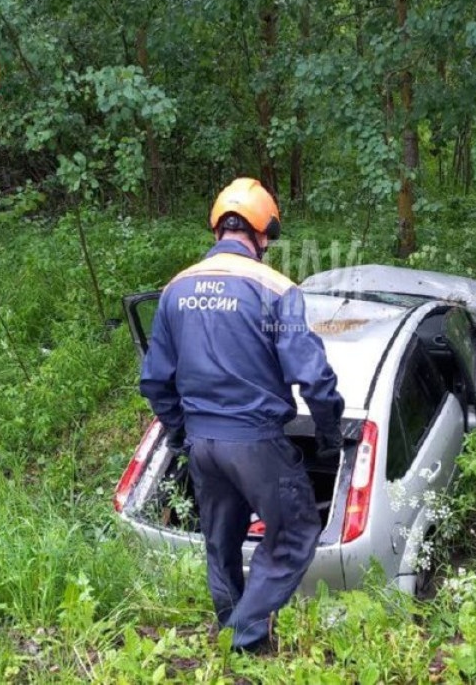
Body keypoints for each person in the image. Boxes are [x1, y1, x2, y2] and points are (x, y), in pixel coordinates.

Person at [140, 177, 345, 652]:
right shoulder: (275, 287)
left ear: (218, 229)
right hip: (254, 439)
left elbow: (155, 380)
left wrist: (179, 432)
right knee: (295, 532)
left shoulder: (175, 289)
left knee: (221, 544)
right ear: (262, 233)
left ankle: (242, 646)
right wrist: (330, 433)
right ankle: (243, 635)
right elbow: (313, 377)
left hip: (202, 445)